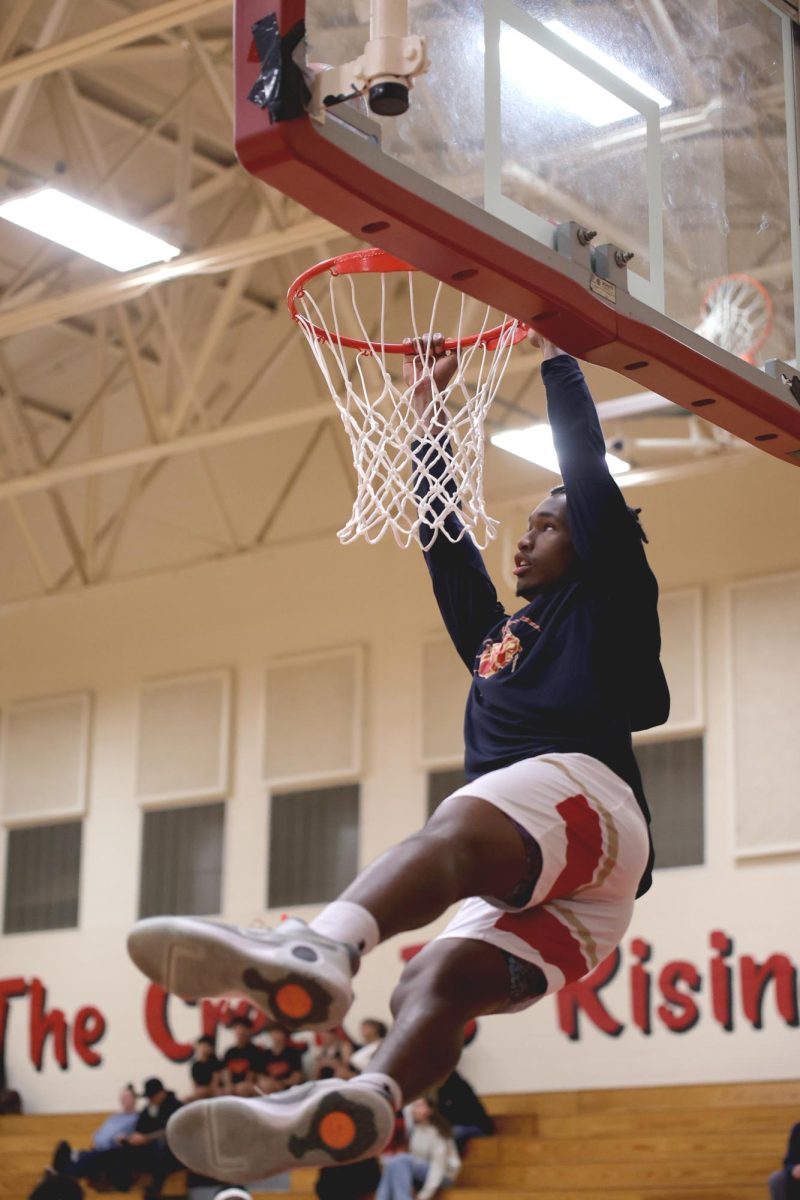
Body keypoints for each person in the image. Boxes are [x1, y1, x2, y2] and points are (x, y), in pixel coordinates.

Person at [127, 331, 669, 1184]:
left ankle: (325, 944)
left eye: (549, 527)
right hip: (582, 901)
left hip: (589, 805)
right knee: (435, 980)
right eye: (526, 525)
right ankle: (372, 1099)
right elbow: (448, 542)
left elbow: (591, 480)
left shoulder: (609, 601)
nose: (525, 540)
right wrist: (427, 415)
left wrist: (561, 353)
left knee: (458, 823)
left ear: (591, 546)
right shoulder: (499, 639)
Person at [377, 1096, 459, 1200]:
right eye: (414, 1106)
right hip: (423, 1173)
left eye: (419, 1106)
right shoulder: (416, 1129)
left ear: (430, 1110)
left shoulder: (439, 1132)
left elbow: (438, 1168)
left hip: (444, 1176)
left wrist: (424, 1195)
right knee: (392, 1162)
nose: (414, 1109)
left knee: (400, 1159)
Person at [434, 1069, 493, 1154]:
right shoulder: (442, 1091)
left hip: (477, 1126)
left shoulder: (461, 1088)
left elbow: (464, 1115)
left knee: (454, 1132)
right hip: (459, 1125)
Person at [256, 1025, 305, 1093]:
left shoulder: (293, 1053)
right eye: (273, 1032)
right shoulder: (264, 1054)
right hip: (270, 1089)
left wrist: (282, 1083)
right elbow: (260, 1077)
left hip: (289, 1089)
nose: (275, 1036)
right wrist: (272, 1084)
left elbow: (297, 1077)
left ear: (284, 1035)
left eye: (278, 1033)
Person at [221, 1017, 262, 1096]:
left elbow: (253, 1073)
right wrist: (228, 1084)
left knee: (242, 1088)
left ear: (249, 1031)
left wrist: (246, 1084)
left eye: (242, 1029)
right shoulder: (229, 1052)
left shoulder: (254, 1051)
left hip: (249, 1085)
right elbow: (225, 1071)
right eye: (237, 1029)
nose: (239, 1032)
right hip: (233, 1085)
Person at [188, 1034, 224, 1100]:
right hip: (201, 1092)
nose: (203, 1048)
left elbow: (215, 1085)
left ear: (211, 1048)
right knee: (187, 1098)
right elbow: (195, 1086)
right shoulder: (195, 1066)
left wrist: (205, 1090)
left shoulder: (215, 1063)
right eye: (201, 1045)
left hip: (215, 1091)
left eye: (206, 1046)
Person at [769, 1122, 800, 1199]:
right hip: (797, 1181)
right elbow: (788, 1162)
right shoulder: (797, 1129)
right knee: (776, 1178)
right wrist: (793, 1169)